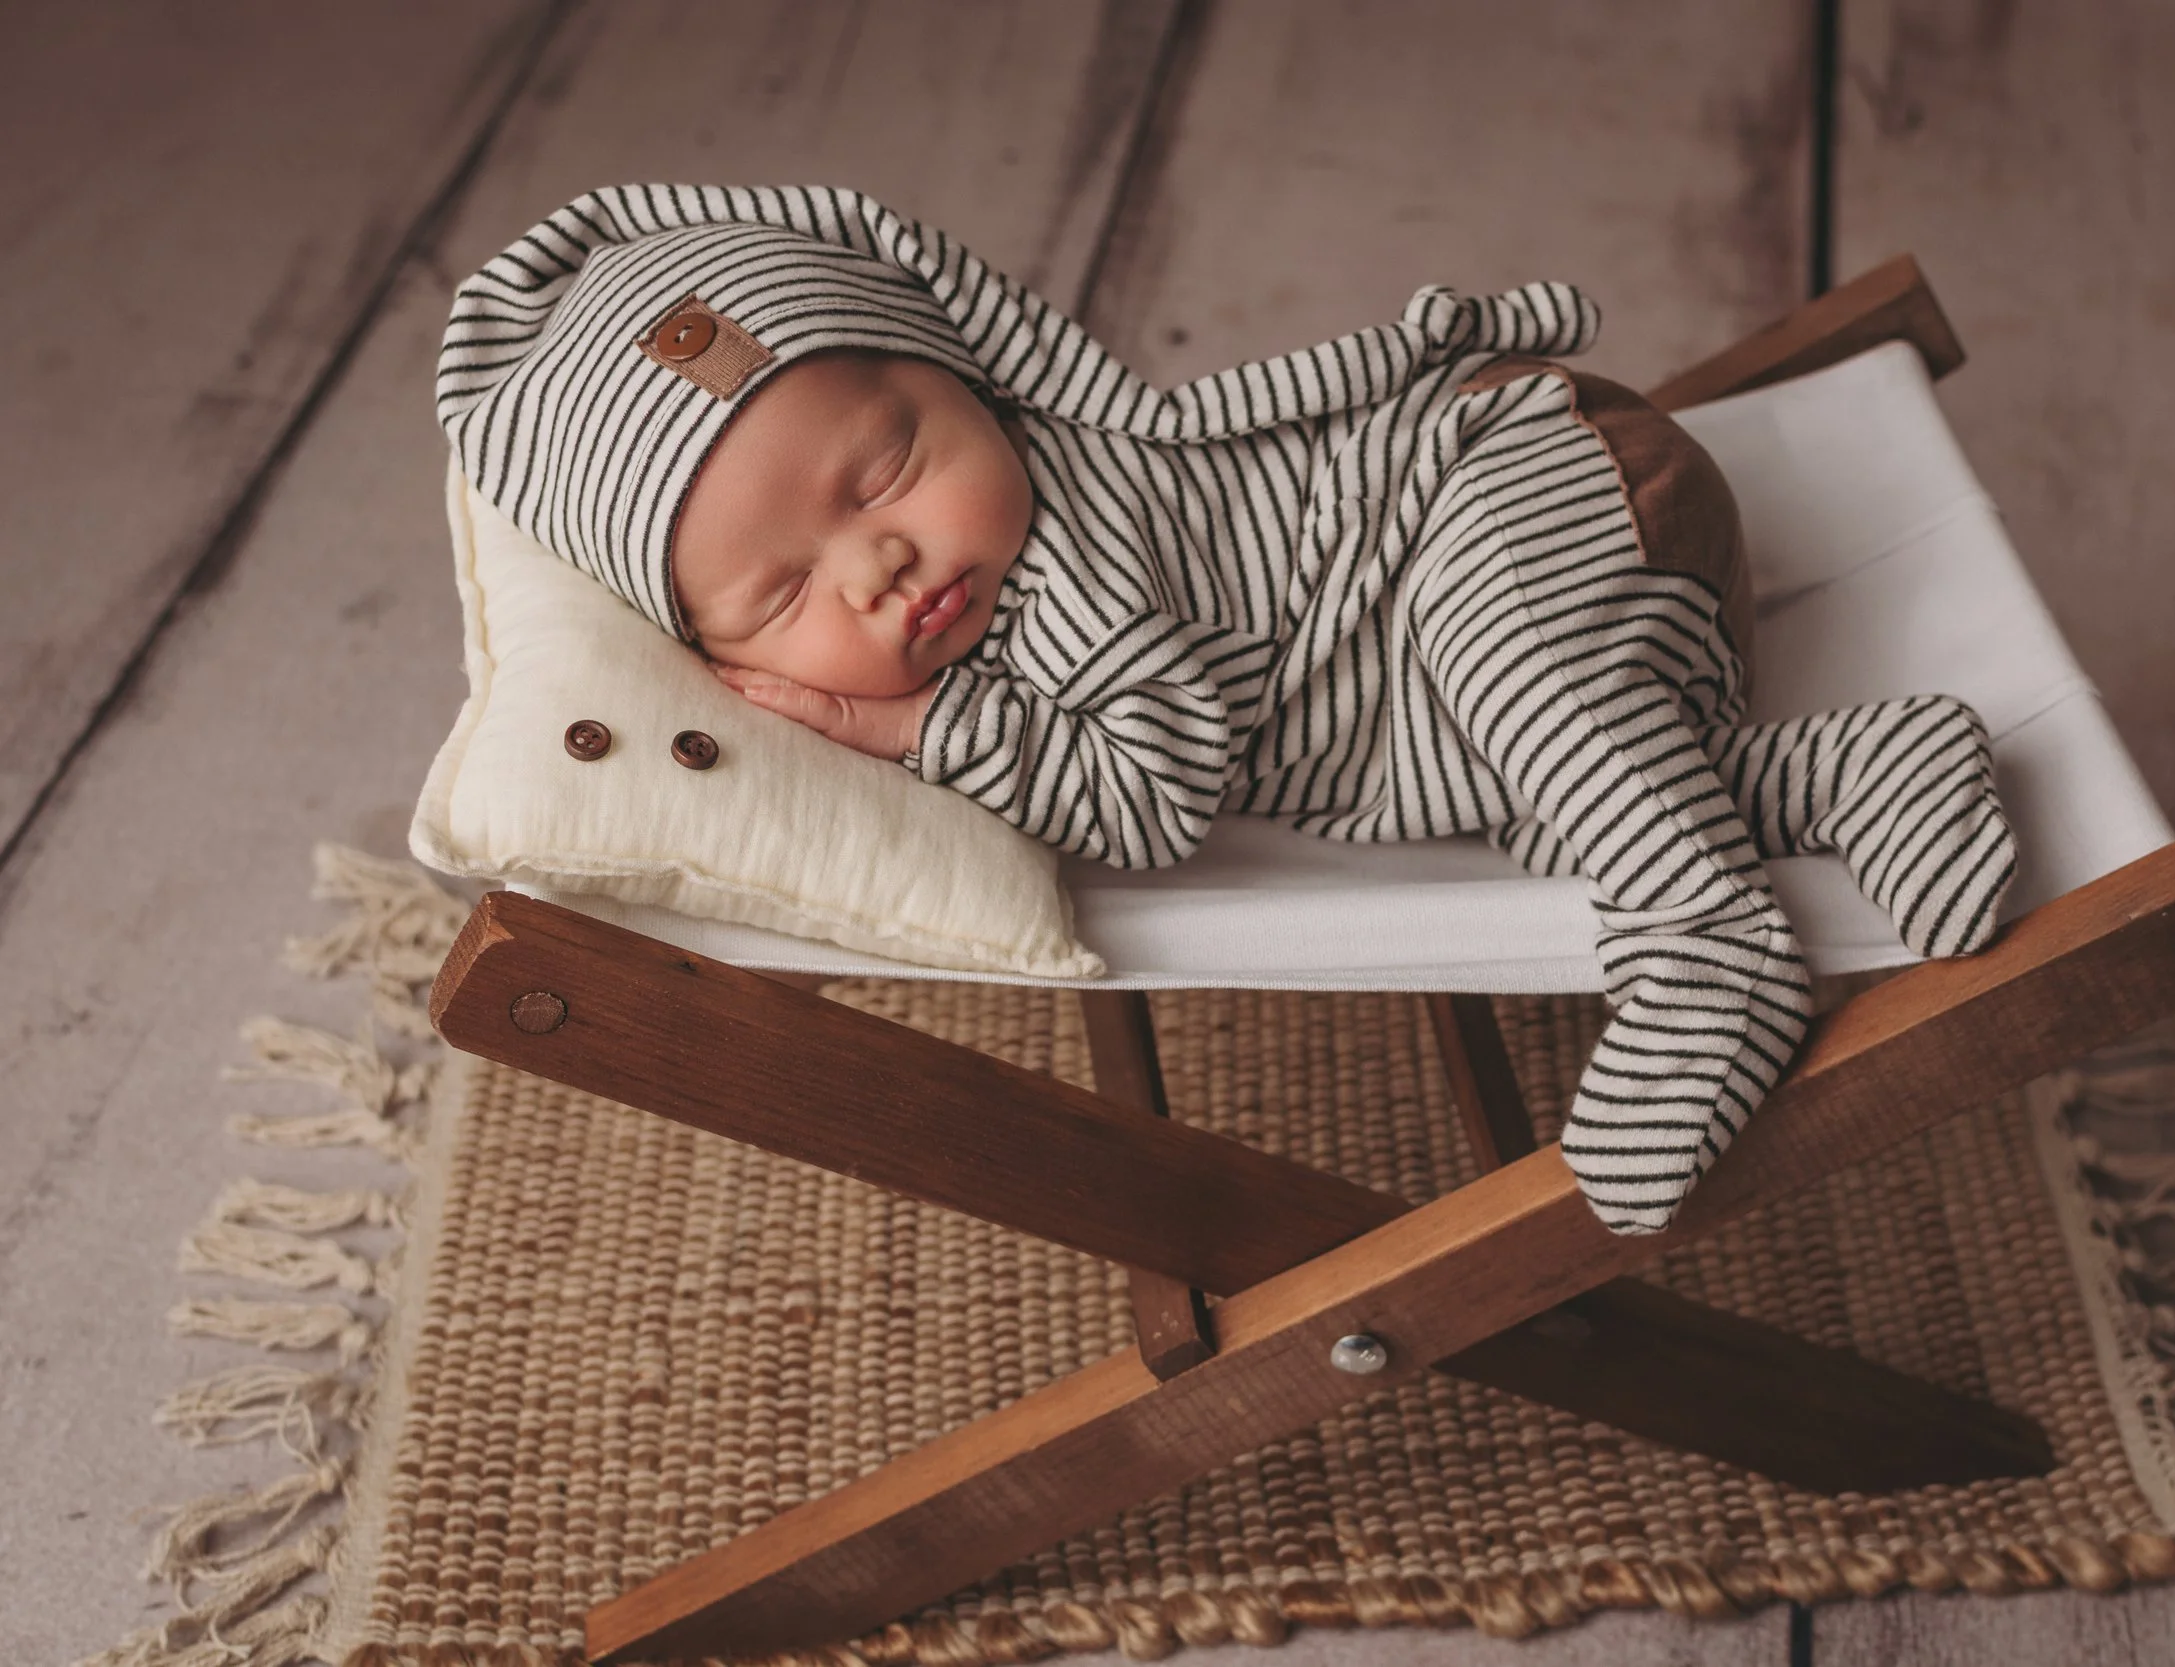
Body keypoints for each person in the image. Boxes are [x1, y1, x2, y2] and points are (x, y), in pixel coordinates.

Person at [439, 184, 2017, 1235]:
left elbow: (1156, 793)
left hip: (1525, 488)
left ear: (964, 378)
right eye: (789, 595)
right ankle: (1854, 772)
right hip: (1490, 660)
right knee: (1539, 779)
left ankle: (1710, 942)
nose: (883, 562)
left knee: (1521, 690)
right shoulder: (954, 588)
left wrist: (915, 731)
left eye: (887, 466)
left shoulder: (1076, 538)